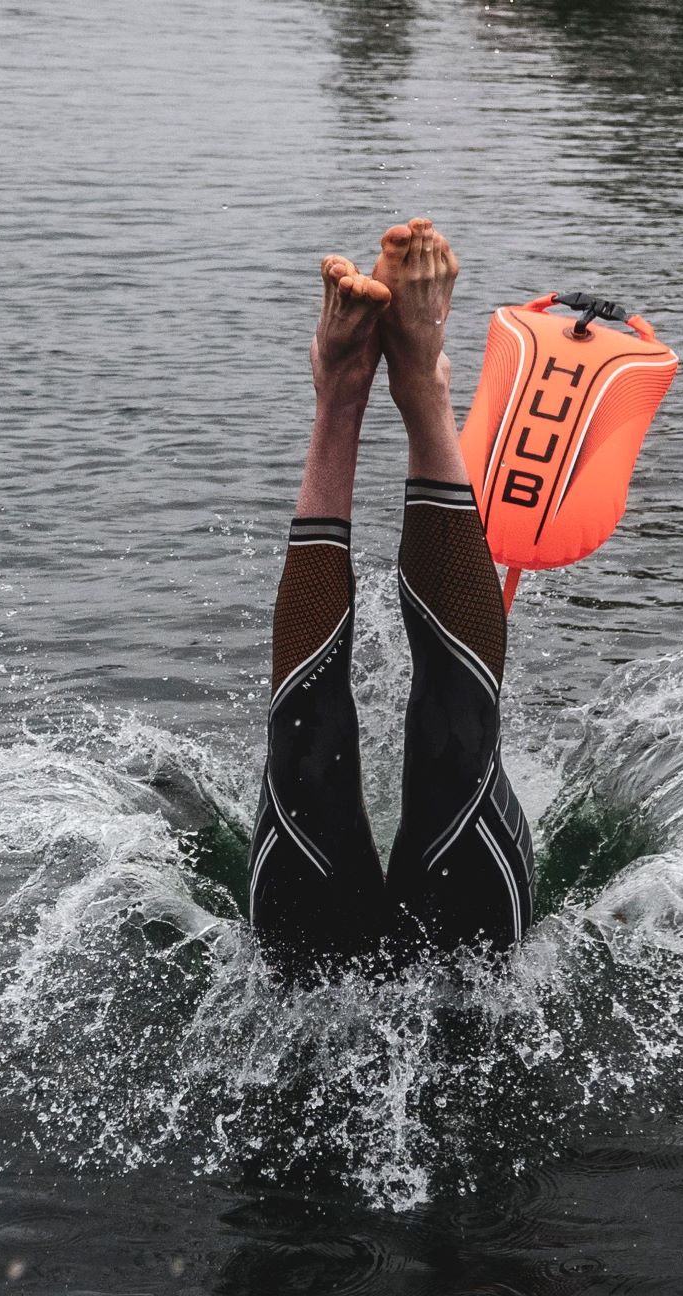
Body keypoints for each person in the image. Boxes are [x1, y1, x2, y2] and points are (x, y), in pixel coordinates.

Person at [248, 219, 534, 985]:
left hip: (397, 973)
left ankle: (403, 385)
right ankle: (361, 393)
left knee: (452, 757)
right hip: (413, 966)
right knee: (309, 763)